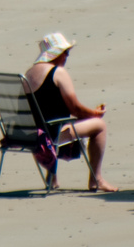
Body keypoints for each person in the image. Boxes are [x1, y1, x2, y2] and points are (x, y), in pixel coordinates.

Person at [22, 32, 116, 192]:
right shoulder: (57, 73)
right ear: (56, 53)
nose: (67, 56)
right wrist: (95, 114)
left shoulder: (28, 74)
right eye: (65, 52)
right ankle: (96, 179)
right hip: (52, 134)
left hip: (30, 134)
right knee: (100, 126)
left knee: (51, 120)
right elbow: (75, 109)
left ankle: (52, 178)